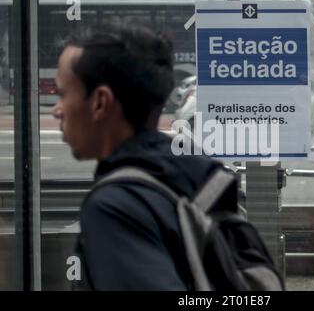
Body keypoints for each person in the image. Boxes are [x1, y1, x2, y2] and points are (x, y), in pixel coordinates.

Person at [52, 22, 227, 290]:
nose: (57, 110)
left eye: (63, 94)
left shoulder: (115, 206)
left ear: (100, 102)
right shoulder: (194, 170)